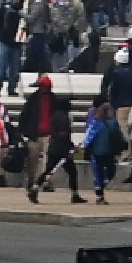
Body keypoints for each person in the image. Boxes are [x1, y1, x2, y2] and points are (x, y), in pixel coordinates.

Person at [15, 75, 83, 204]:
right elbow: (64, 134)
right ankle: (73, 194)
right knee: (66, 170)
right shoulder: (35, 101)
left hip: (51, 140)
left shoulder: (54, 106)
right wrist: (71, 146)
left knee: (48, 167)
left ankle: (37, 186)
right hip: (51, 142)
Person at [82, 99, 122, 205]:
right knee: (108, 171)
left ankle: (100, 189)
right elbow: (118, 136)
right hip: (105, 151)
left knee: (101, 172)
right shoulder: (108, 123)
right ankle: (101, 188)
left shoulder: (97, 122)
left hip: (101, 151)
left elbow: (89, 137)